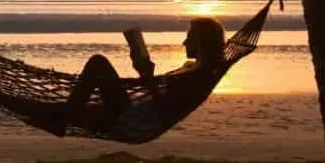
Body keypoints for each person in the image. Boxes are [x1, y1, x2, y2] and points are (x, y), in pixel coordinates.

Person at [62, 16, 226, 131]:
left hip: (134, 119)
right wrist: (145, 72)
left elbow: (165, 109)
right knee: (58, 110)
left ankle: (63, 117)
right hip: (136, 110)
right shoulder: (193, 68)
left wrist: (146, 75)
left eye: (189, 38)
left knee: (98, 63)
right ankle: (63, 116)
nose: (184, 43)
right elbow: (162, 96)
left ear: (201, 42)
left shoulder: (198, 76)